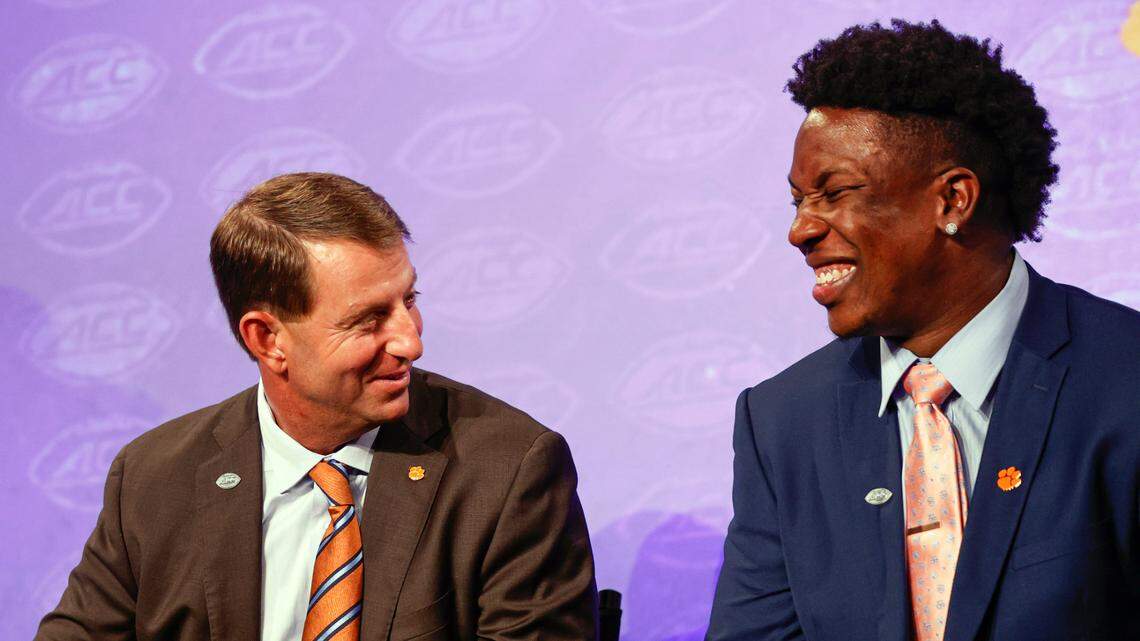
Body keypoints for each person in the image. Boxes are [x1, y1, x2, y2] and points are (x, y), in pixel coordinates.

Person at [707, 20, 1140, 641]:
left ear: (953, 200)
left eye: (834, 193)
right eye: (798, 200)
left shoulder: (1124, 381)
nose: (801, 230)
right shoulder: (781, 420)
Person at [36, 172, 598, 640]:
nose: (410, 341)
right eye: (368, 319)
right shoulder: (155, 479)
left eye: (409, 300)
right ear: (266, 339)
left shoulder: (508, 471)